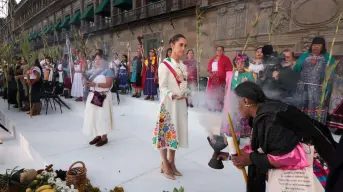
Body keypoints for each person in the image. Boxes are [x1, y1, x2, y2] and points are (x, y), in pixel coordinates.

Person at [217, 81, 336, 192]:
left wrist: (251, 159)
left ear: (246, 101)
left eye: (236, 102)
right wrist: (236, 155)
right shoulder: (265, 110)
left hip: (305, 170)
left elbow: (288, 155)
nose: (236, 108)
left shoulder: (270, 118)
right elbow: (267, 144)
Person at [152, 34, 189, 180]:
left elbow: (184, 85)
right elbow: (162, 87)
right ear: (172, 45)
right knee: (164, 135)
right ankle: (165, 163)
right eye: (181, 44)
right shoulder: (164, 65)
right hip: (168, 104)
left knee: (176, 134)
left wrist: (185, 92)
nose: (183, 48)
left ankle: (172, 163)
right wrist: (172, 95)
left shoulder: (184, 66)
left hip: (180, 104)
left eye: (185, 45)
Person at [293, 37, 335, 124]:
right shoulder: (304, 56)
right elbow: (296, 69)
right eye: (314, 45)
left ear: (323, 46)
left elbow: (331, 75)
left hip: (318, 89)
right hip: (303, 88)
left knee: (316, 111)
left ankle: (316, 127)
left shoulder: (328, 57)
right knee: (301, 108)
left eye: (318, 45)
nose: (315, 47)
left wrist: (327, 80)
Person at [83, 49, 115, 147]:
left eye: (99, 59)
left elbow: (108, 84)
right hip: (93, 95)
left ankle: (104, 137)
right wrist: (85, 82)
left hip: (102, 96)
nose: (97, 61)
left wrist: (95, 84)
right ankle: (97, 135)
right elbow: (86, 79)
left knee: (102, 117)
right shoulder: (92, 71)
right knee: (93, 116)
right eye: (96, 59)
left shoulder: (108, 71)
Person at [221, 54, 254, 141]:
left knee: (241, 119)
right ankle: (234, 137)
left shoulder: (249, 75)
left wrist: (246, 84)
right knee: (233, 119)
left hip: (243, 102)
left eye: (242, 63)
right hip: (233, 101)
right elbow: (228, 87)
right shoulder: (231, 74)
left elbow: (254, 89)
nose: (240, 65)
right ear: (235, 63)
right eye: (238, 63)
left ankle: (241, 135)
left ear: (245, 64)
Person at [206, 46, 233, 112]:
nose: (219, 51)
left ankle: (219, 107)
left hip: (221, 79)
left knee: (220, 92)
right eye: (218, 50)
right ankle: (212, 106)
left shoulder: (226, 59)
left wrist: (225, 77)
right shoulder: (213, 59)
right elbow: (209, 68)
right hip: (213, 78)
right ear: (216, 51)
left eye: (221, 50)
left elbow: (229, 69)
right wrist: (211, 73)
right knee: (212, 92)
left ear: (223, 51)